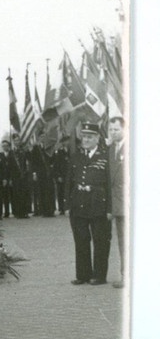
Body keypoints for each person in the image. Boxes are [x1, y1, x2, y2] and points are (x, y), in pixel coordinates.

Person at [68, 122, 111, 285]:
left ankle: (99, 275)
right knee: (81, 240)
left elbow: (109, 184)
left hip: (98, 204)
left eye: (90, 137)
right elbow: (69, 181)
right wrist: (67, 204)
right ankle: (83, 275)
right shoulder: (76, 156)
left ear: (97, 138)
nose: (86, 140)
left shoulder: (105, 156)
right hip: (78, 204)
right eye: (84, 136)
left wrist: (110, 208)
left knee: (100, 240)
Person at [107, 114, 126, 288]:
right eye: (111, 129)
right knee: (122, 241)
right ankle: (125, 276)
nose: (113, 132)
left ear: (124, 129)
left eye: (116, 129)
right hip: (118, 206)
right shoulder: (111, 150)